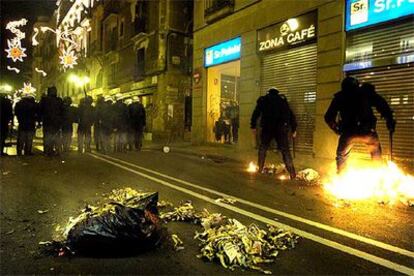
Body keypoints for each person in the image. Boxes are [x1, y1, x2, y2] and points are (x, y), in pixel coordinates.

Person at [325, 77, 396, 173]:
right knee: (376, 154)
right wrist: (390, 120)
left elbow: (328, 117)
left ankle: (341, 176)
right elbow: (382, 105)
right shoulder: (365, 94)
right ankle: (379, 177)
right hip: (367, 131)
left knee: (342, 155)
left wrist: (336, 129)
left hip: (348, 132)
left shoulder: (340, 97)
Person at [250, 88, 297, 179]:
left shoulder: (264, 100)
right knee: (285, 151)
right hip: (281, 129)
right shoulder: (283, 101)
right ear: (277, 93)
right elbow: (291, 115)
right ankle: (292, 173)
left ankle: (260, 168)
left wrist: (253, 126)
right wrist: (294, 129)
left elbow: (256, 113)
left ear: (268, 92)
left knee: (263, 148)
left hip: (267, 128)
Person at [39, 86, 64, 156]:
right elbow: (63, 111)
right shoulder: (59, 100)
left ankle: (47, 151)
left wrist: (39, 120)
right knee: (56, 137)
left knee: (48, 137)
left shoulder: (44, 100)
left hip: (48, 122)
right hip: (56, 122)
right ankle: (57, 150)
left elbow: (40, 110)